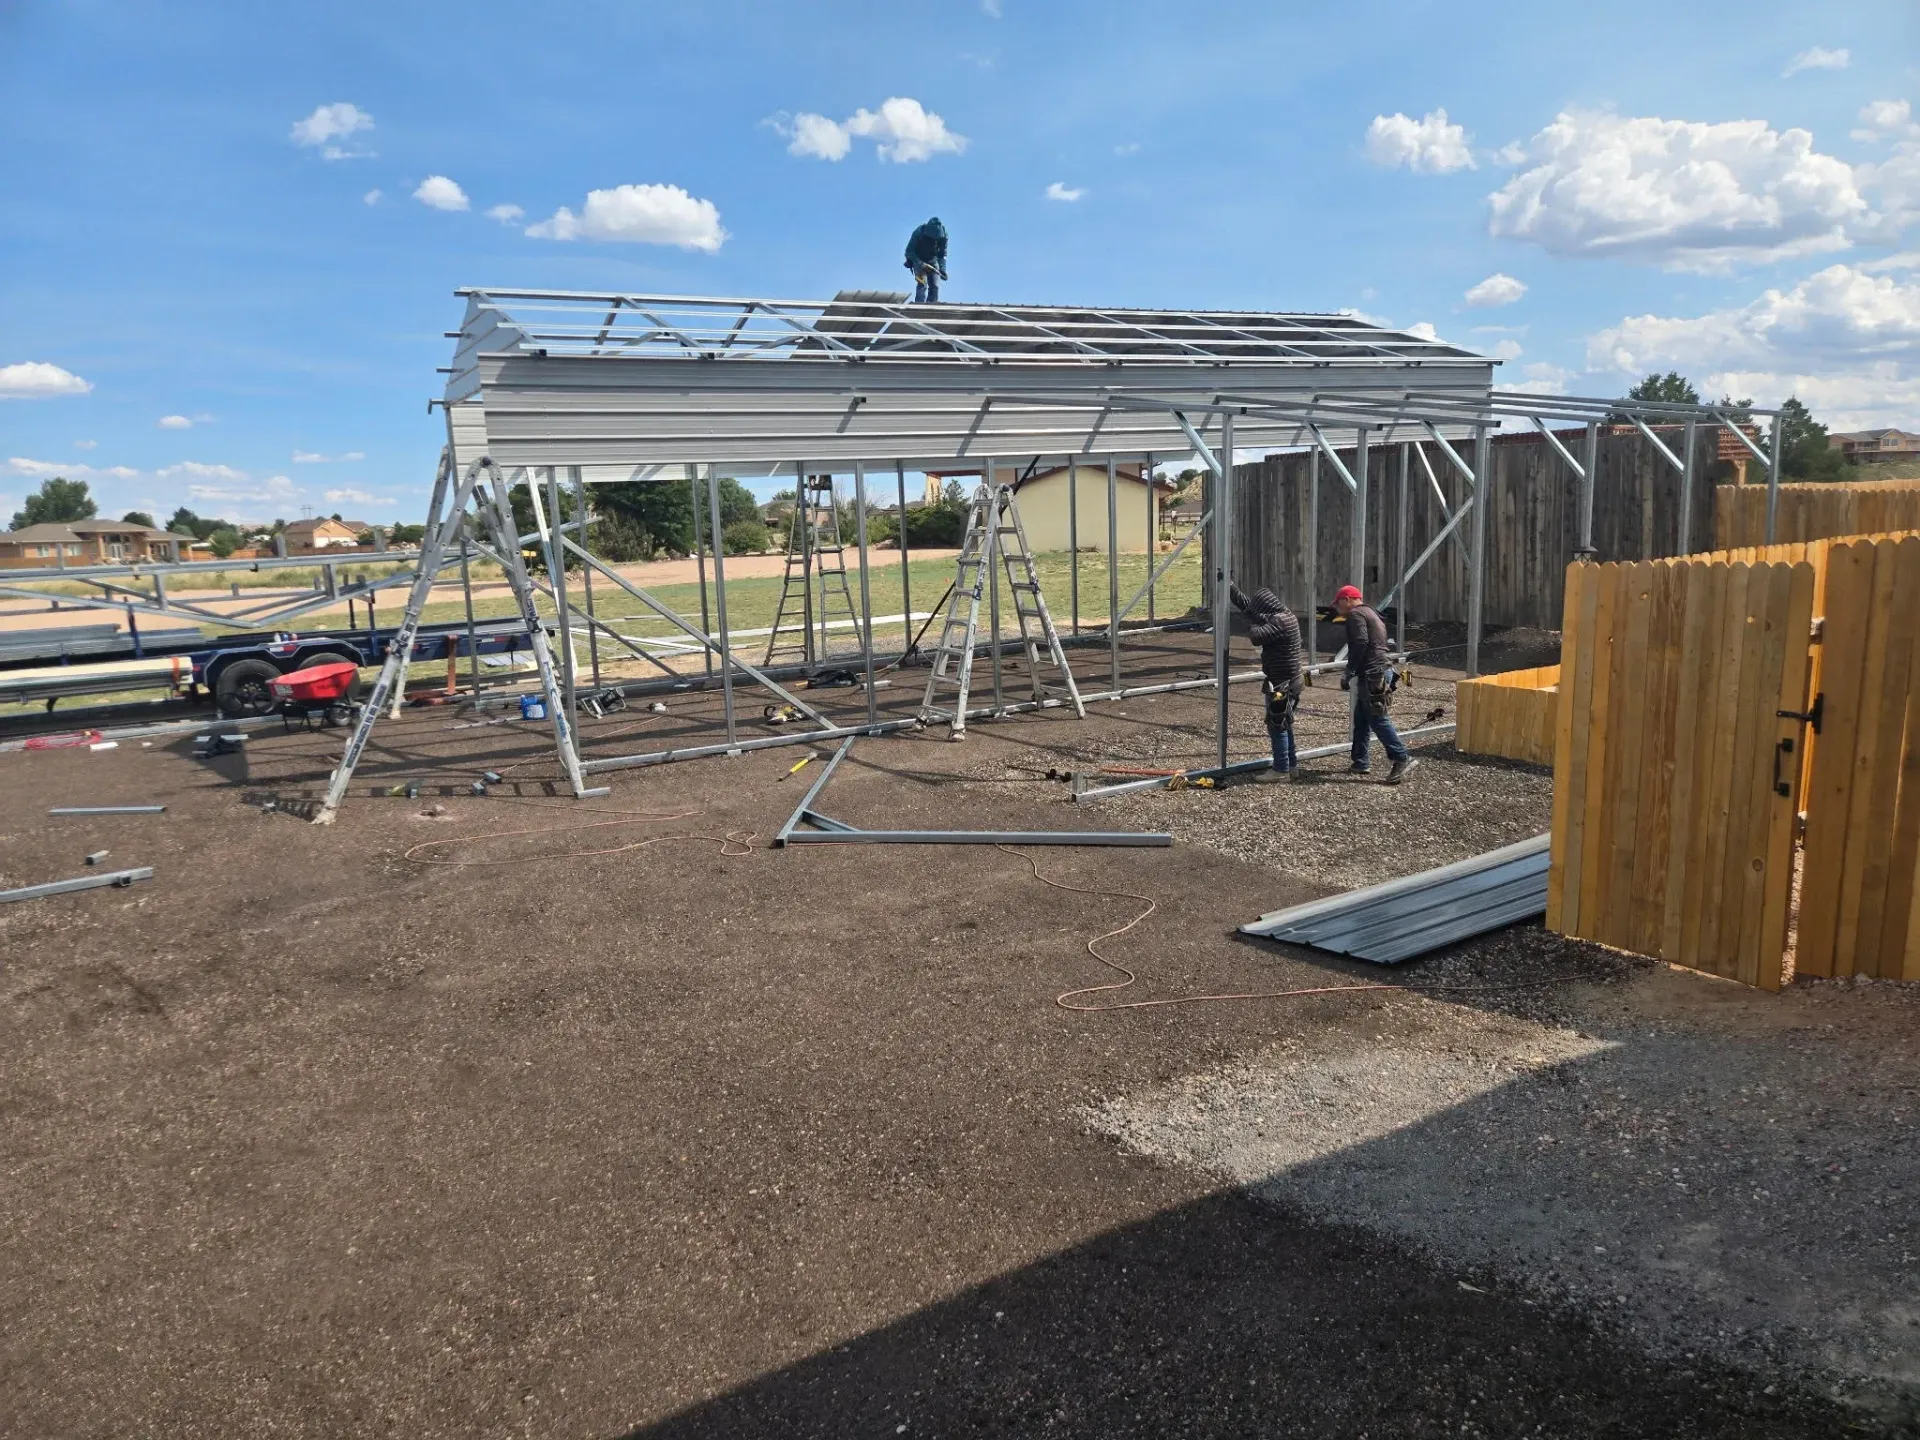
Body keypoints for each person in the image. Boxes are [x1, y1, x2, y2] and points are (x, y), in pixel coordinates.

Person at [1333, 583, 1417, 784]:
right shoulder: (1372, 613)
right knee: (1362, 719)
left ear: (1347, 600)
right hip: (1379, 671)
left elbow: (1361, 642)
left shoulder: (1355, 615)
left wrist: (1349, 671)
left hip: (1372, 673)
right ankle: (1360, 761)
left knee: (1377, 718)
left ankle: (1401, 757)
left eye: (1338, 604)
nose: (1337, 609)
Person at [1230, 583, 1302, 780]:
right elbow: (1251, 609)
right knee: (1285, 723)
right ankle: (1291, 766)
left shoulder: (1280, 622)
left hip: (1282, 684)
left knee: (1277, 725)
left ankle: (1280, 770)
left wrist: (1251, 623)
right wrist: (1232, 590)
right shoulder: (1284, 615)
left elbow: (1256, 636)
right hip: (1290, 681)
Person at [904, 216, 948, 303]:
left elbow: (942, 255)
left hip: (933, 261)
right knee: (922, 284)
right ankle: (919, 305)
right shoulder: (919, 232)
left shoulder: (943, 236)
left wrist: (942, 269)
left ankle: (932, 304)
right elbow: (909, 251)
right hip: (918, 260)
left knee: (935, 286)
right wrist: (920, 263)